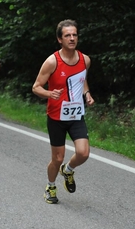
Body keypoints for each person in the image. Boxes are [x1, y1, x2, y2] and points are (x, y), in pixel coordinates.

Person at [32, 19, 95, 204]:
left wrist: (87, 93)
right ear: (60, 39)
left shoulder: (85, 60)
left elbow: (81, 79)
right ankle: (50, 186)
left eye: (74, 35)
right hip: (56, 117)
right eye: (67, 35)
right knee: (57, 158)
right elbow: (36, 87)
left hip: (76, 115)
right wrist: (50, 93)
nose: (72, 38)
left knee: (83, 153)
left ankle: (68, 170)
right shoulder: (52, 62)